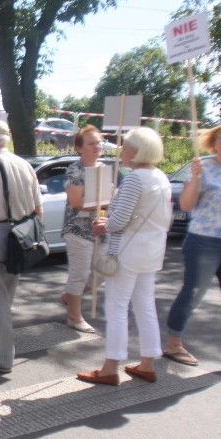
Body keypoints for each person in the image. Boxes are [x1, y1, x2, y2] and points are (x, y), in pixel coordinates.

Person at [77, 127, 172, 386]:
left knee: (117, 308)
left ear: (137, 150)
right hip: (151, 251)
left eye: (126, 146)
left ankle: (110, 366)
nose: (122, 151)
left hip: (128, 251)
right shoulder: (160, 177)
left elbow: (118, 220)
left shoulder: (134, 179)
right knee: (145, 306)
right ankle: (148, 362)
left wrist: (103, 224)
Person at [0, 119, 43, 373]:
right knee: (5, 296)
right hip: (22, 235)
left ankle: (3, 357)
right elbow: (39, 208)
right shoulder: (25, 164)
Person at [163, 121, 221, 365]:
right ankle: (173, 343)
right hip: (204, 240)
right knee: (194, 291)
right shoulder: (203, 167)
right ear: (213, 142)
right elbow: (186, 205)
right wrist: (194, 178)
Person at [61, 124, 106, 334]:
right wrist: (104, 199)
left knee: (103, 271)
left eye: (99, 142)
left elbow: (108, 202)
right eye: (92, 143)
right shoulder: (75, 169)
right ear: (80, 148)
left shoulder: (104, 168)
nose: (97, 146)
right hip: (77, 229)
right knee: (79, 273)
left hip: (100, 229)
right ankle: (74, 316)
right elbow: (76, 201)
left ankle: (71, 296)